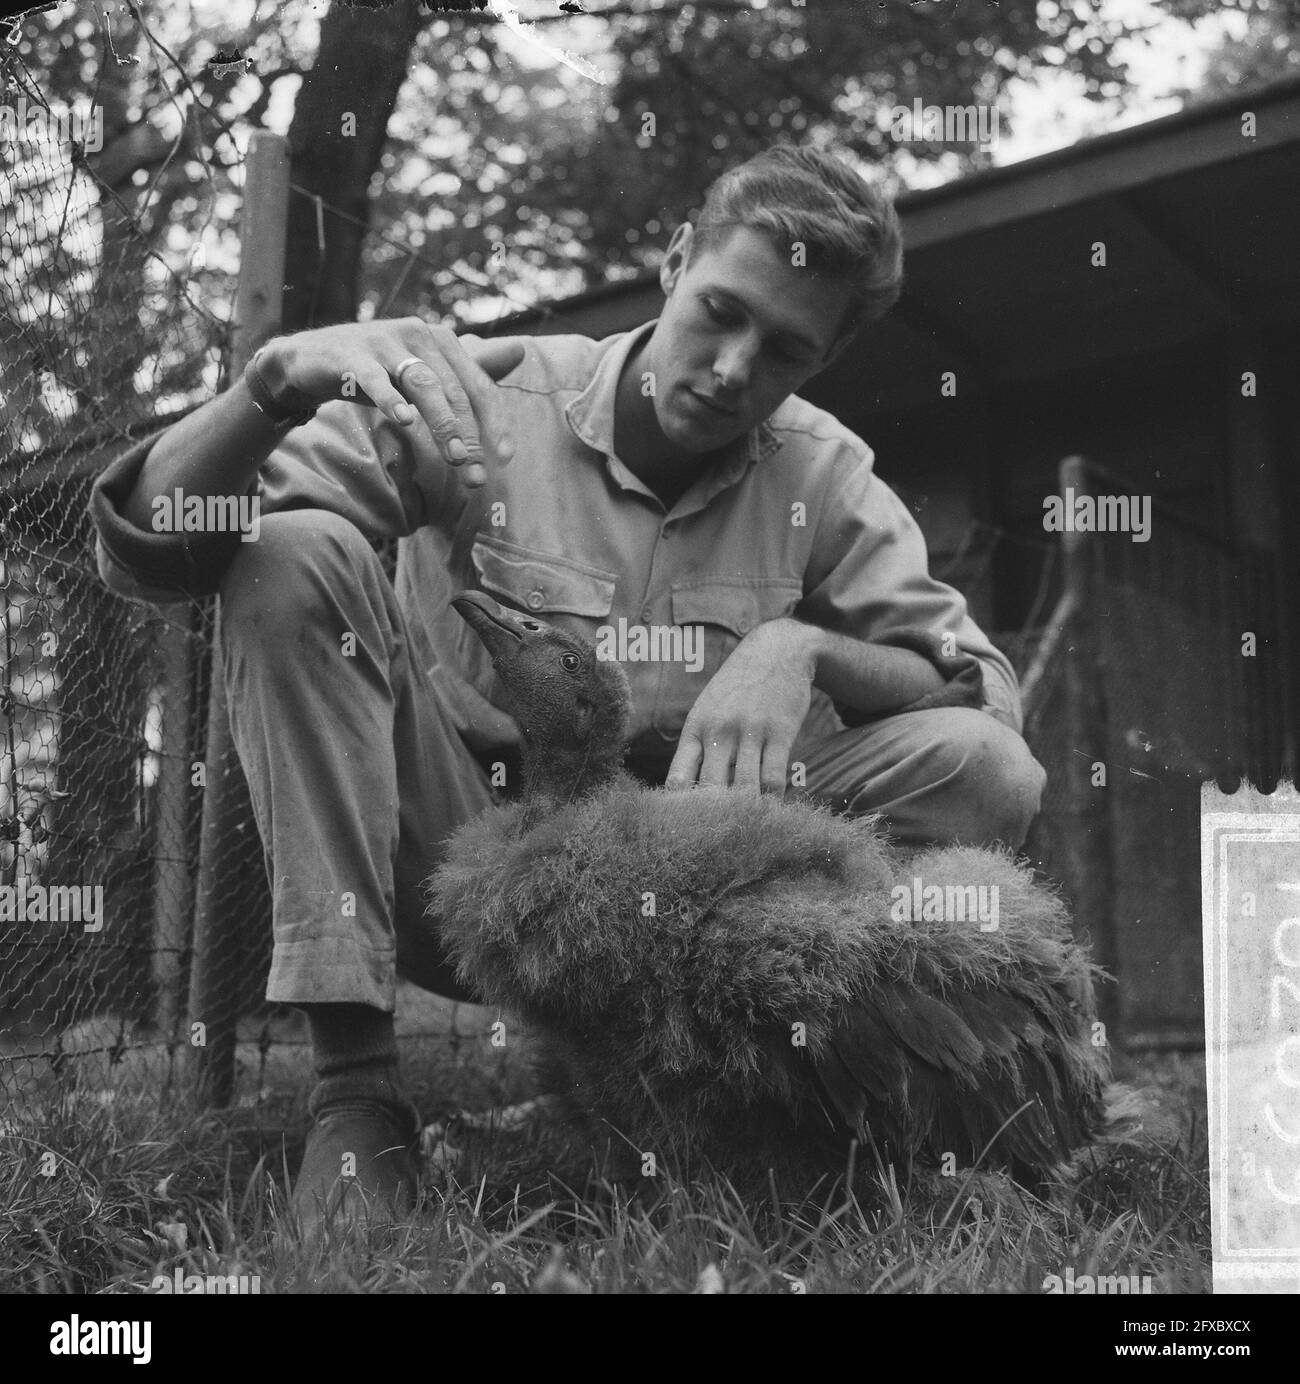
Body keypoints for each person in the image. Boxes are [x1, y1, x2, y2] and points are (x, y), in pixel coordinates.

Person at [89, 143, 1045, 1236]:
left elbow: (975, 693)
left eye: (784, 349)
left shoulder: (824, 474)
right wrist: (270, 384)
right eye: (721, 311)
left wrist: (799, 648)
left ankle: (802, 1082)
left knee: (984, 767)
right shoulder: (483, 396)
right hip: (465, 868)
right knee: (291, 551)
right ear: (676, 260)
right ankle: (354, 1091)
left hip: (692, 912)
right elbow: (153, 551)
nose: (734, 369)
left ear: (822, 358)